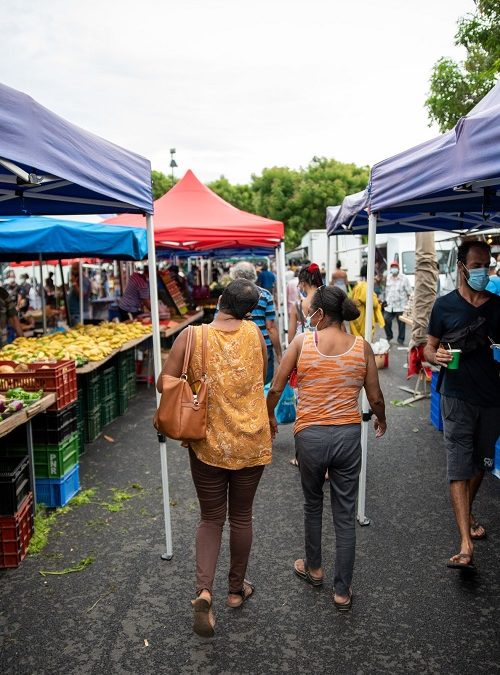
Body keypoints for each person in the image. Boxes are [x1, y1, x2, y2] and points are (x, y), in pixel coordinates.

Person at [157, 279, 272, 637]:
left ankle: (203, 591)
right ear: (249, 312)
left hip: (207, 442)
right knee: (242, 517)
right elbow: (262, 378)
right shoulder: (256, 335)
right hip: (252, 440)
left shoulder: (191, 337)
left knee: (210, 519)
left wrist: (194, 384)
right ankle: (236, 591)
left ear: (219, 301)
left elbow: (165, 383)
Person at [267, 286, 386, 611]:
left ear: (320, 313)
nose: (308, 314)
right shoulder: (362, 347)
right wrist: (381, 419)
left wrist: (269, 418)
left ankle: (314, 567)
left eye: (311, 310)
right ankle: (342, 591)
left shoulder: (302, 343)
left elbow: (277, 386)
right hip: (348, 437)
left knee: (312, 504)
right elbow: (374, 396)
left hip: (310, 438)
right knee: (345, 516)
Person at [424, 240, 500, 571]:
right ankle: (465, 544)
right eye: (478, 265)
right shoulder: (443, 307)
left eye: (488, 264)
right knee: (458, 465)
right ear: (462, 267)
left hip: (492, 399)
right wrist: (435, 356)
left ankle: (467, 516)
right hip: (455, 397)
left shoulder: (498, 306)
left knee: (480, 464)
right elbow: (428, 348)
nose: (484, 271)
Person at [231, 261, 282, 384]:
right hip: (263, 347)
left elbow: (218, 322)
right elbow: (271, 328)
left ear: (235, 276)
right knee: (264, 386)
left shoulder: (228, 296)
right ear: (254, 275)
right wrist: (279, 353)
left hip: (236, 347)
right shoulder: (265, 295)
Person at [288, 263, 323, 344]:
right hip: (325, 348)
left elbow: (290, 339)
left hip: (304, 349)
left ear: (303, 283)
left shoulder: (297, 306)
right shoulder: (328, 300)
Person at [383, 261, 411, 344]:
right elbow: (386, 291)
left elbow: (409, 292)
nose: (394, 268)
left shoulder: (404, 278)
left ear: (398, 268)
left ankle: (400, 339)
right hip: (389, 305)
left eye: (395, 267)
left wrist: (409, 305)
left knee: (401, 323)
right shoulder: (388, 278)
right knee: (385, 320)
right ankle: (389, 336)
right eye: (392, 267)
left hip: (401, 305)